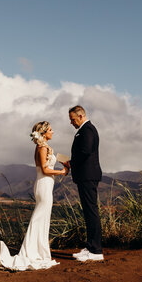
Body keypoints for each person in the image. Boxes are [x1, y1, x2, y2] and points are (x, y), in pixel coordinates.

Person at [0, 121, 67, 270]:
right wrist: (61, 172)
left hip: (47, 184)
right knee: (39, 217)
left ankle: (39, 251)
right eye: (51, 130)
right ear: (43, 132)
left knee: (43, 218)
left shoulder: (44, 147)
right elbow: (45, 170)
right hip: (44, 184)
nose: (53, 132)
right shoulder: (41, 148)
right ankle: (31, 251)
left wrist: (65, 165)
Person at [64, 105, 103, 262]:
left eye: (72, 119)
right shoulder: (86, 129)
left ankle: (96, 251)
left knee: (91, 211)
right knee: (88, 212)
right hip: (86, 176)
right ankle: (91, 247)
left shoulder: (87, 130)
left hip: (88, 176)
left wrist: (71, 162)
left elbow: (85, 151)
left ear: (80, 116)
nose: (71, 123)